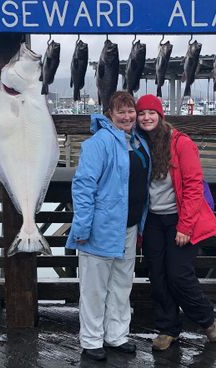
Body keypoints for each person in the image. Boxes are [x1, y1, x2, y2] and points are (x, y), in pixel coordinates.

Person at [66, 91, 150, 361]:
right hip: (100, 228)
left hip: (129, 228)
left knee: (122, 285)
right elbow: (83, 186)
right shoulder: (97, 143)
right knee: (94, 288)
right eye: (120, 112)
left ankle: (116, 335)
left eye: (130, 111)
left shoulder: (138, 141)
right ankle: (91, 340)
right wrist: (81, 227)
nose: (127, 116)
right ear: (109, 115)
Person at [135, 94, 216, 351]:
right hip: (152, 220)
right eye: (141, 113)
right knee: (157, 276)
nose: (146, 117)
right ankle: (168, 328)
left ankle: (206, 319)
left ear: (160, 115)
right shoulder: (139, 144)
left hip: (179, 219)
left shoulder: (181, 143)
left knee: (179, 275)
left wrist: (185, 226)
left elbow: (194, 186)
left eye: (151, 112)